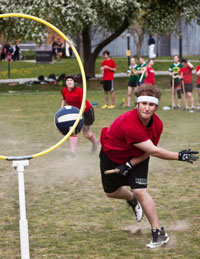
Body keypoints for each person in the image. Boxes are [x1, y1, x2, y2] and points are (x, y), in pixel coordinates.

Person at [99, 84, 198, 248]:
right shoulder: (129, 123)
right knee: (111, 193)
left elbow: (149, 151)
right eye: (143, 103)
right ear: (137, 104)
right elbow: (154, 150)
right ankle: (132, 199)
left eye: (151, 104)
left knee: (139, 190)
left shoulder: (157, 125)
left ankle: (158, 233)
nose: (147, 108)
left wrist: (130, 164)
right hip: (112, 156)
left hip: (137, 156)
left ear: (156, 107)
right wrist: (179, 156)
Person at [61, 75, 99, 155]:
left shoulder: (79, 91)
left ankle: (95, 142)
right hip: (75, 113)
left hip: (86, 112)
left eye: (71, 80)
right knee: (72, 131)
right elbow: (64, 100)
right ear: (65, 83)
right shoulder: (64, 91)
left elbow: (84, 105)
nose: (69, 82)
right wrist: (61, 111)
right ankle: (73, 152)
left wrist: (79, 116)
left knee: (86, 133)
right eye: (68, 81)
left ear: (74, 82)